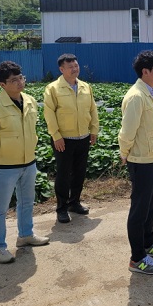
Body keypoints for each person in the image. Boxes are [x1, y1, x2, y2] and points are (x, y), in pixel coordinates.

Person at [0, 61, 49, 264]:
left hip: (29, 162)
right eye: (13, 80)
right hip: (4, 167)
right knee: (0, 209)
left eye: (21, 78)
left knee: (27, 202)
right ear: (2, 84)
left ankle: (25, 235)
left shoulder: (30, 101)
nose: (19, 83)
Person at [119, 51, 153, 275]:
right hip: (142, 160)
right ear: (145, 72)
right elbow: (127, 131)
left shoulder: (151, 93)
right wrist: (125, 152)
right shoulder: (136, 96)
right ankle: (137, 257)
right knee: (140, 210)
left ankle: (149, 244)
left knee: (151, 207)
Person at [43, 54, 99, 224]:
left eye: (76, 65)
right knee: (63, 174)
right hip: (64, 139)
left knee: (79, 173)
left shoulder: (85, 87)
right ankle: (61, 208)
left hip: (83, 137)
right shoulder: (53, 89)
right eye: (70, 67)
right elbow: (49, 113)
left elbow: (92, 109)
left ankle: (74, 202)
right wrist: (56, 135)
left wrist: (94, 130)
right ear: (62, 69)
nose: (75, 69)